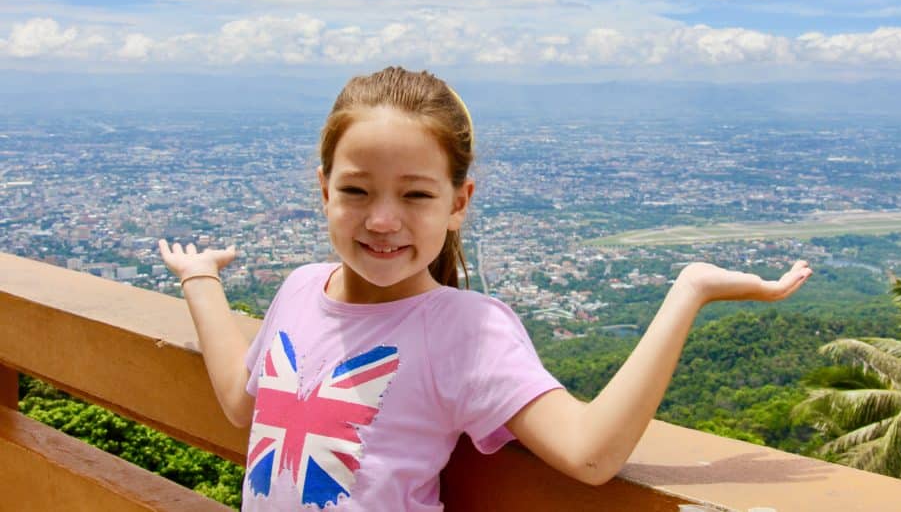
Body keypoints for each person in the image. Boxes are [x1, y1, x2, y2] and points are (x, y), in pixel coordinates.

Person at [159, 66, 812, 511]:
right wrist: (201, 282)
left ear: (458, 202)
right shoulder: (301, 290)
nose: (382, 219)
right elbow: (244, 403)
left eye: (415, 194)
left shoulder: (465, 329)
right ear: (323, 188)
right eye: (357, 190)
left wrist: (688, 291)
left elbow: (589, 452)